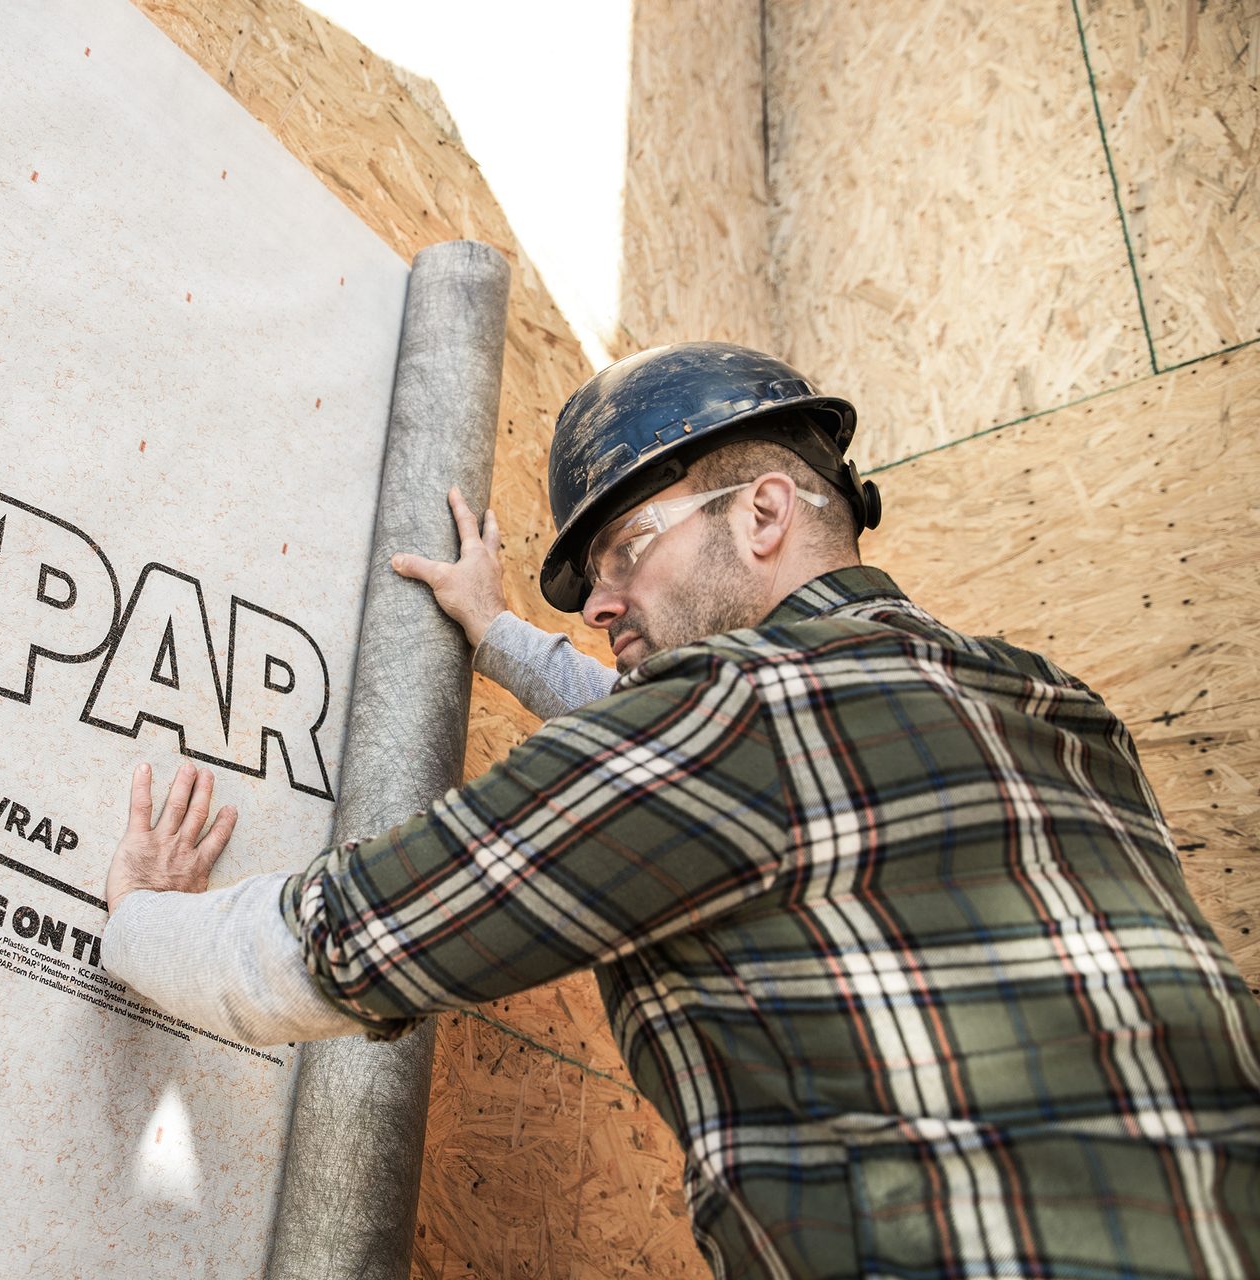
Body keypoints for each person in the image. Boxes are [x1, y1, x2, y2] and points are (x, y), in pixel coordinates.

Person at [101, 342, 1260, 1278]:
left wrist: (137, 920)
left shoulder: (735, 715)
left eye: (624, 550)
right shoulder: (1047, 698)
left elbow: (341, 944)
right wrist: (497, 634)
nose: (601, 599)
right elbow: (714, 742)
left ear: (762, 515)